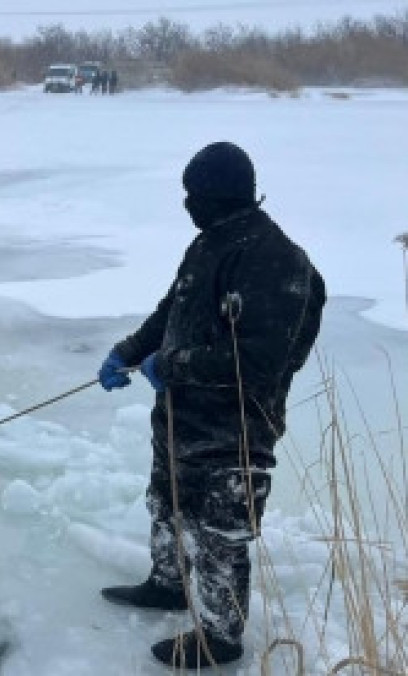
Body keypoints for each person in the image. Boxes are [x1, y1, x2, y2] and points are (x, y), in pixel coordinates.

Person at [96, 141, 326, 668]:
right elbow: (171, 311)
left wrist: (173, 367)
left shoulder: (277, 260)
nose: (187, 203)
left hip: (235, 429)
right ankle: (167, 584)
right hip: (181, 417)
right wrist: (130, 351)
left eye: (194, 193)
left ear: (221, 193)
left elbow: (260, 359)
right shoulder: (208, 243)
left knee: (219, 530)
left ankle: (221, 636)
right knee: (167, 504)